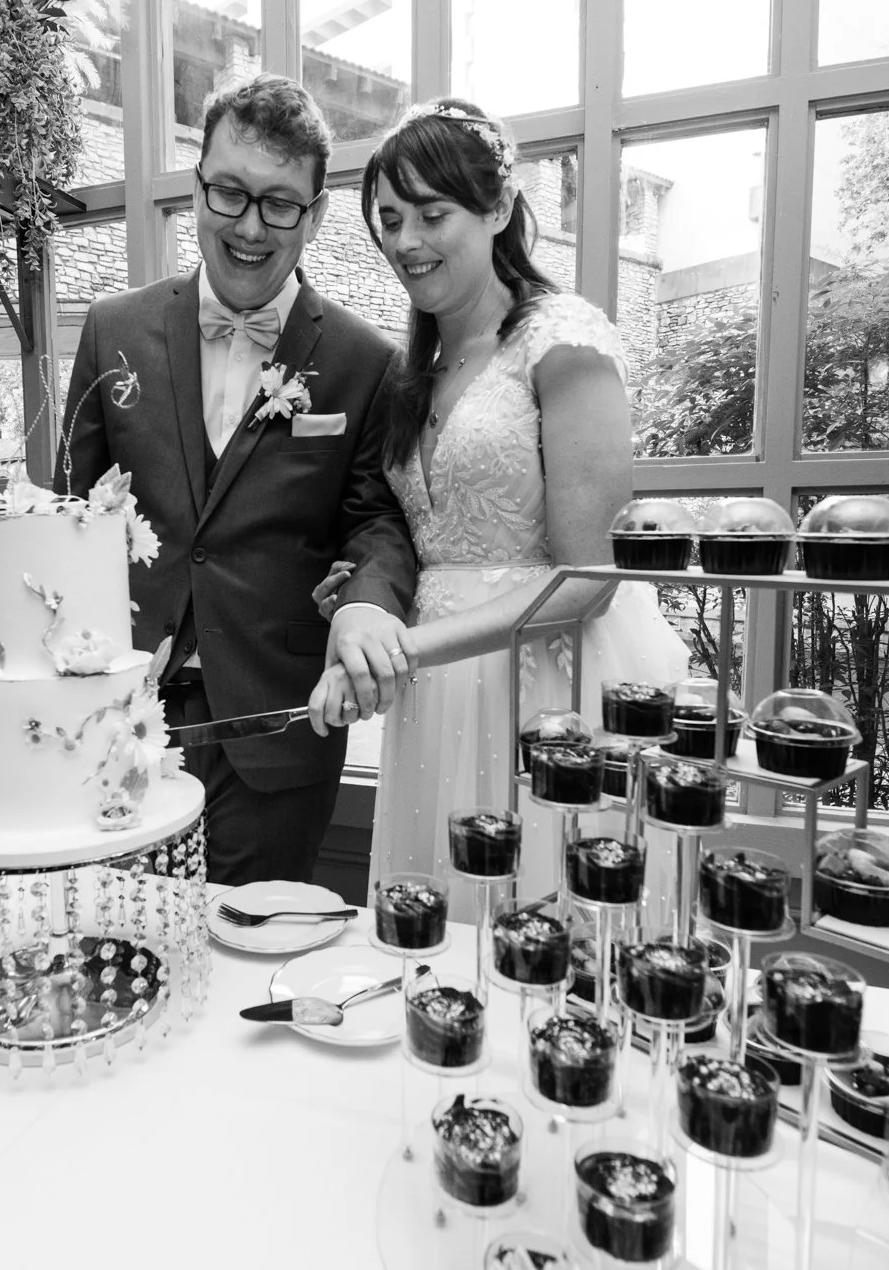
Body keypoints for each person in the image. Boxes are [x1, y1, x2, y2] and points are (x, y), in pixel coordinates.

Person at [308, 98, 690, 905]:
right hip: (434, 696)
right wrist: (361, 598)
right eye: (388, 218)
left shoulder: (562, 341)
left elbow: (590, 577)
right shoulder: (417, 369)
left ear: (500, 208)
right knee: (441, 944)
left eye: (431, 213)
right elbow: (428, 537)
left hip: (541, 691)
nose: (406, 241)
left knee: (542, 929)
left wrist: (419, 646)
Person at [60, 74, 417, 886]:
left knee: (250, 970)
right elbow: (71, 519)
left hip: (277, 729)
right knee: (122, 945)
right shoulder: (113, 328)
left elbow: (379, 523)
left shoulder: (366, 361)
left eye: (280, 203)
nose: (250, 226)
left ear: (318, 214)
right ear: (196, 191)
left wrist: (365, 599)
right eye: (230, 193)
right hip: (120, 720)